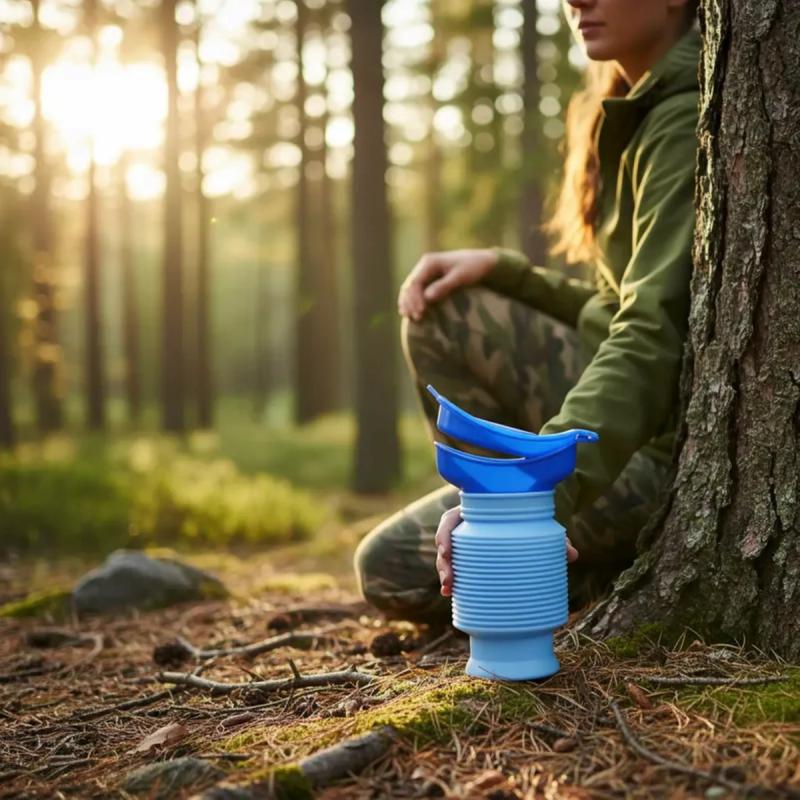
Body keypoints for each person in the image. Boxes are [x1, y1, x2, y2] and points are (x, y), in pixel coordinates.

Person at [354, 0, 701, 622]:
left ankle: (525, 553)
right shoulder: (633, 106)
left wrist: (540, 491)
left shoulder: (682, 119)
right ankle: (533, 544)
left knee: (388, 567)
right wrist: (505, 271)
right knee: (443, 307)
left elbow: (653, 332)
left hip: (666, 455)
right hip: (628, 428)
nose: (576, 0)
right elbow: (620, 307)